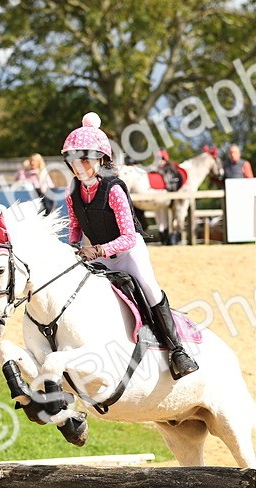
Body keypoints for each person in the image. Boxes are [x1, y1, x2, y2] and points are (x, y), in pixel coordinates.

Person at [61, 112, 198, 378]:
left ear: (100, 159)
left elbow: (129, 237)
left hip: (127, 253)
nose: (78, 165)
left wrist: (98, 249)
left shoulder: (113, 189)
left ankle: (177, 350)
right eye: (72, 159)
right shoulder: (72, 193)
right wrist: (73, 247)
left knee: (149, 288)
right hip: (98, 255)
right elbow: (75, 228)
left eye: (84, 158)